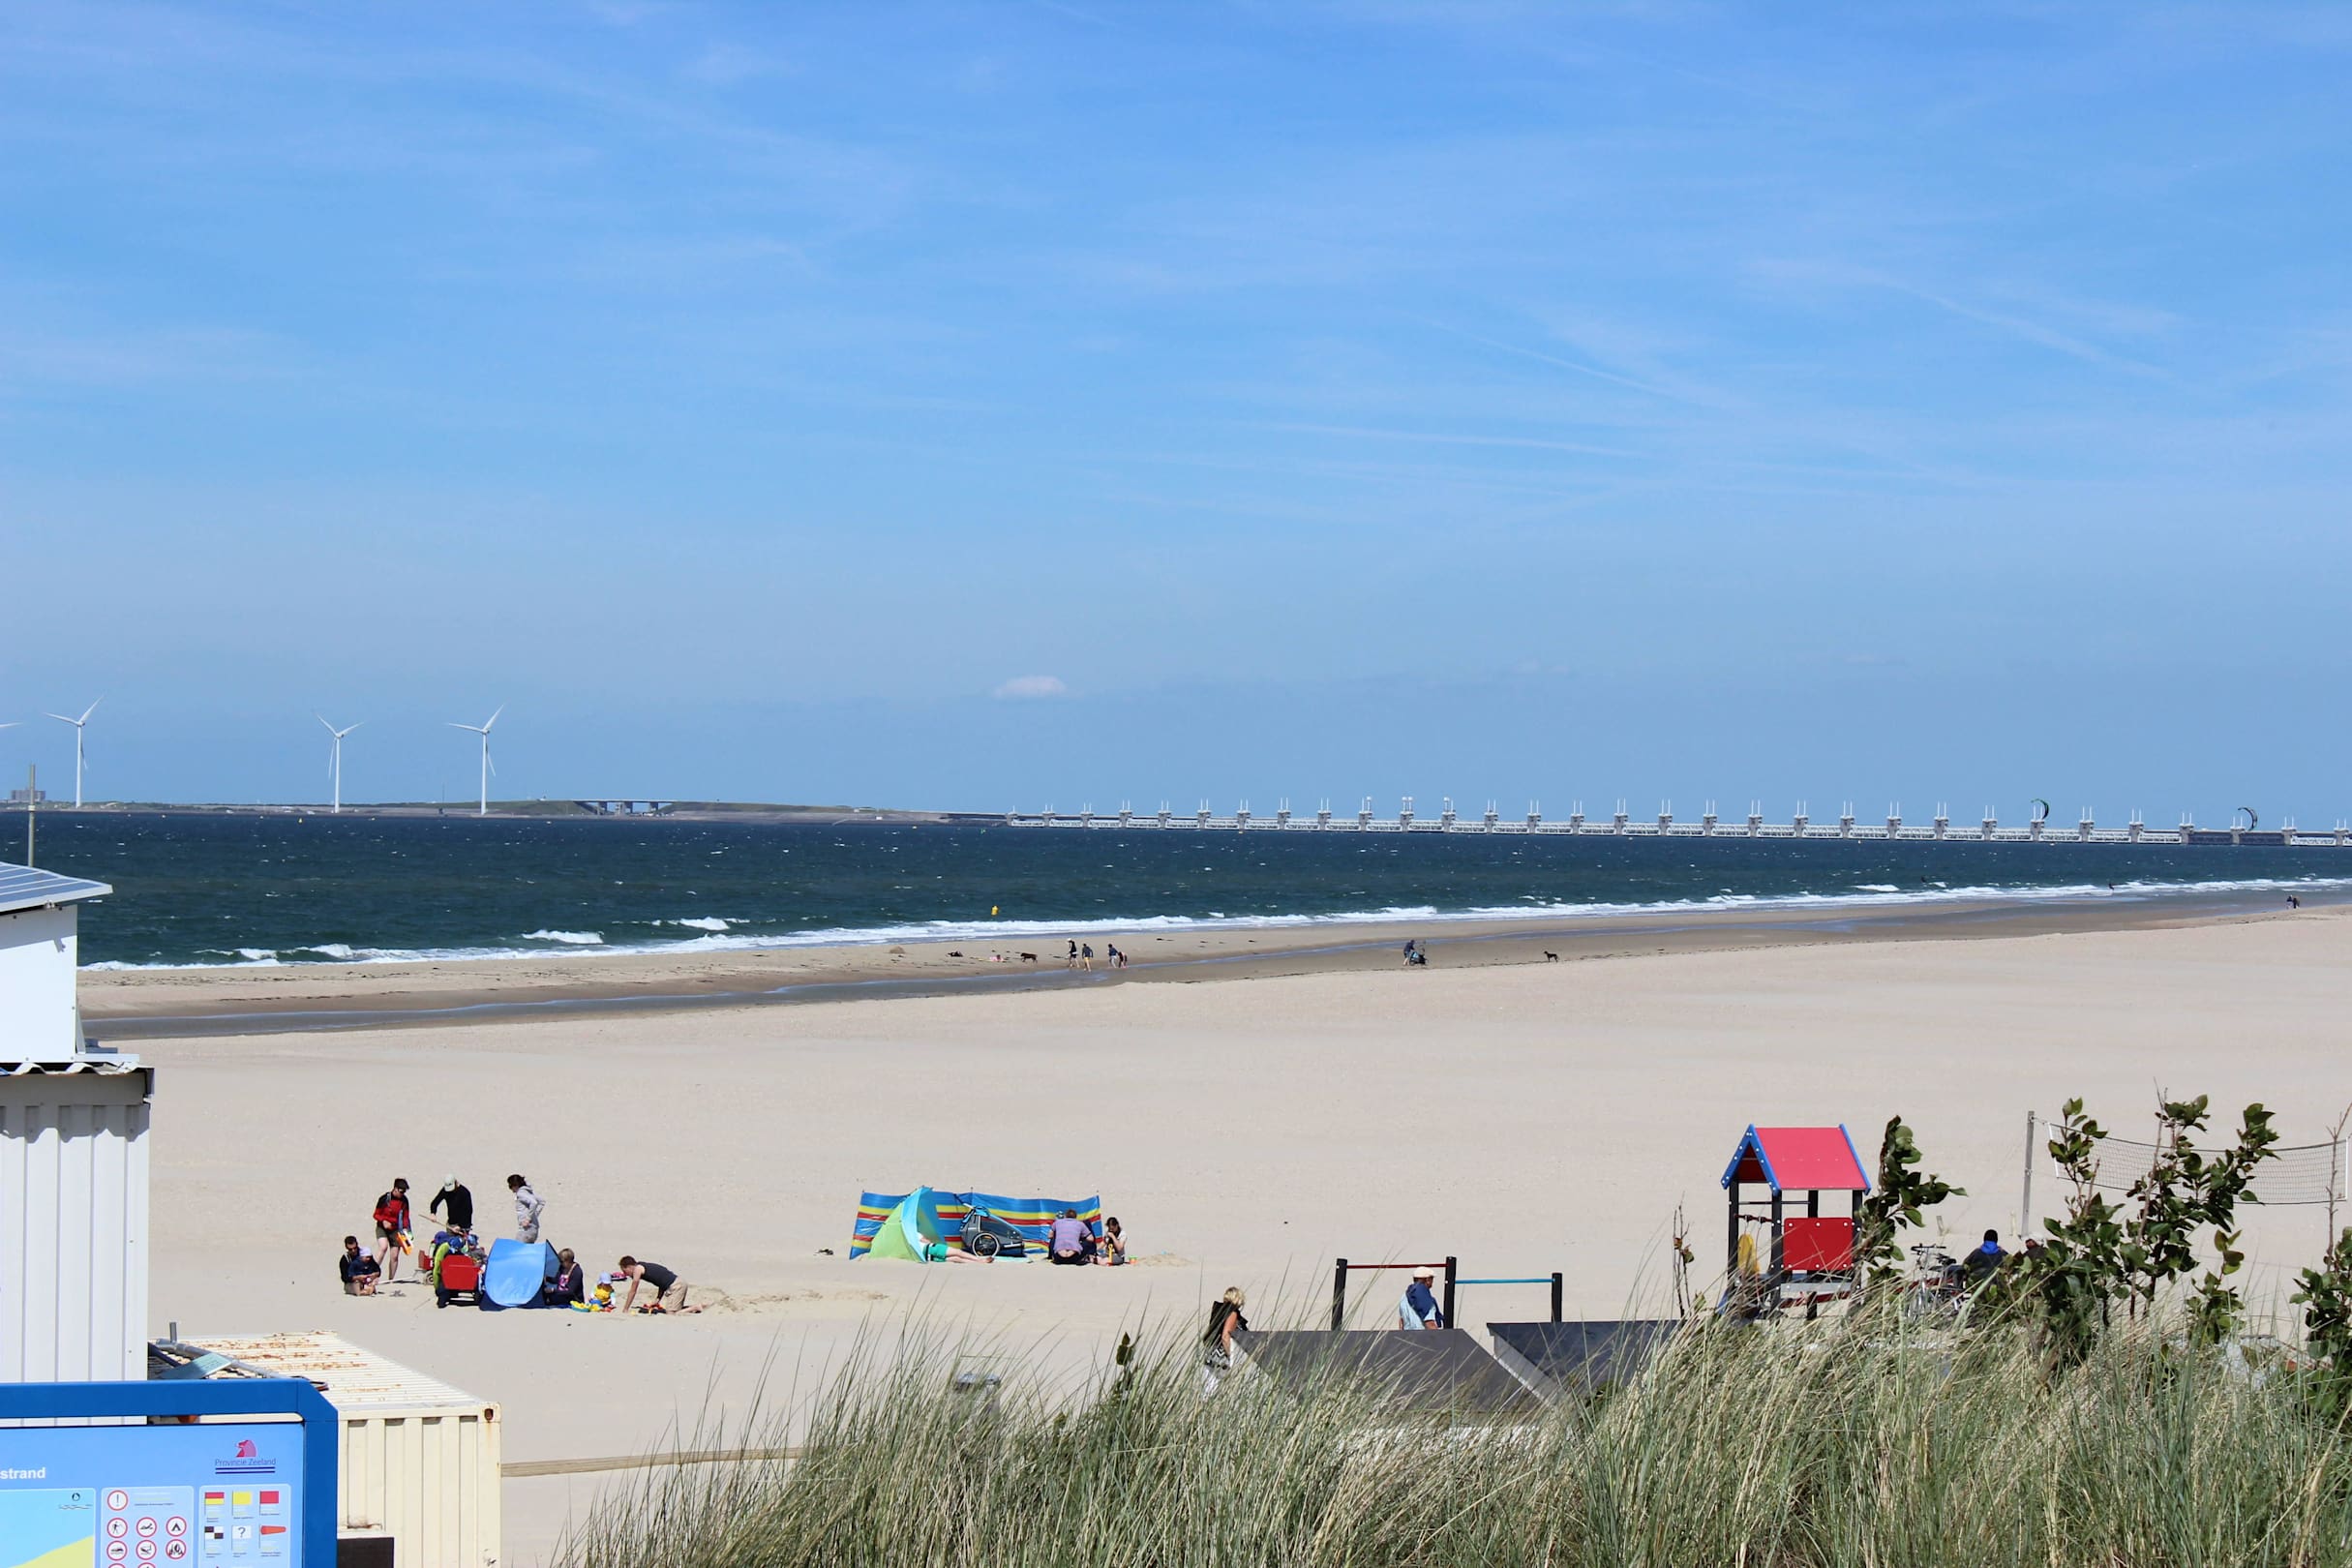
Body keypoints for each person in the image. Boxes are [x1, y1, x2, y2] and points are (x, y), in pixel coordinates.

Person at [1201, 1286, 1248, 1395]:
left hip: (1211, 1354)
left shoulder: (1219, 1310)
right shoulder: (1232, 1313)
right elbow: (1225, 1336)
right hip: (1222, 1357)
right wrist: (1231, 1356)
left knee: (1208, 1391)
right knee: (1225, 1391)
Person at [617, 1255, 701, 1313]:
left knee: (671, 1313)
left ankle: (695, 1307)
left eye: (625, 1271)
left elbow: (633, 1291)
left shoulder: (637, 1270)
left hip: (676, 1286)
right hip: (678, 1283)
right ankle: (697, 1307)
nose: (625, 1274)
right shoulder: (642, 1265)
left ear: (629, 1267)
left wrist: (626, 1309)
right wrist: (657, 1300)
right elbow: (661, 1281)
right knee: (676, 1309)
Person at [370, 1178, 411, 1283]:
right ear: (395, 1189)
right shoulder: (384, 1198)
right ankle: (372, 1274)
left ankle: (391, 1279)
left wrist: (406, 1230)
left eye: (404, 1192)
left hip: (396, 1229)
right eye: (401, 1191)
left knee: (395, 1256)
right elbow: (376, 1214)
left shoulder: (404, 1201)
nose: (402, 1194)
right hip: (382, 1227)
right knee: (383, 1247)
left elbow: (405, 1217)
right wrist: (383, 1221)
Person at [1398, 1264, 1445, 1330]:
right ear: (1427, 1280)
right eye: (1432, 1278)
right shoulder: (1425, 1298)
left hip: (1407, 1335)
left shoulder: (1404, 1297)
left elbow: (1401, 1323)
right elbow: (1430, 1324)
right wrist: (1440, 1336)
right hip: (1423, 1335)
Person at [508, 1174, 545, 1244]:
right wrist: (534, 1215)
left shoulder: (520, 1193)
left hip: (525, 1229)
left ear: (515, 1185)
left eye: (510, 1186)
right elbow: (542, 1202)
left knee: (518, 1248)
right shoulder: (529, 1192)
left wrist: (528, 1219)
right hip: (534, 1230)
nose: (511, 1189)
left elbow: (534, 1203)